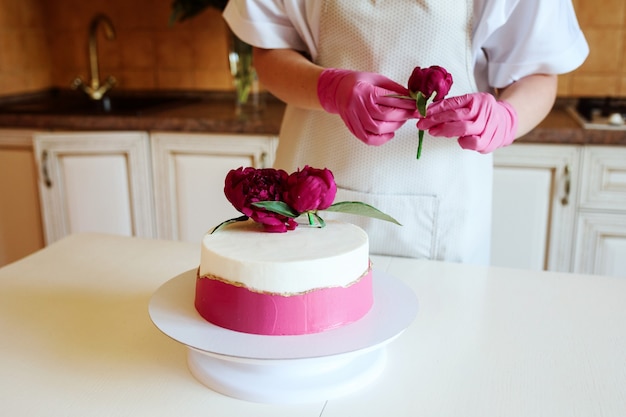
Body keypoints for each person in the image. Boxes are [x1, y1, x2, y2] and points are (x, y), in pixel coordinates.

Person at [223, 0, 588, 264]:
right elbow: (268, 53)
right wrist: (329, 87)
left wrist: (507, 118)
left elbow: (538, 72)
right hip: (310, 196)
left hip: (443, 206)